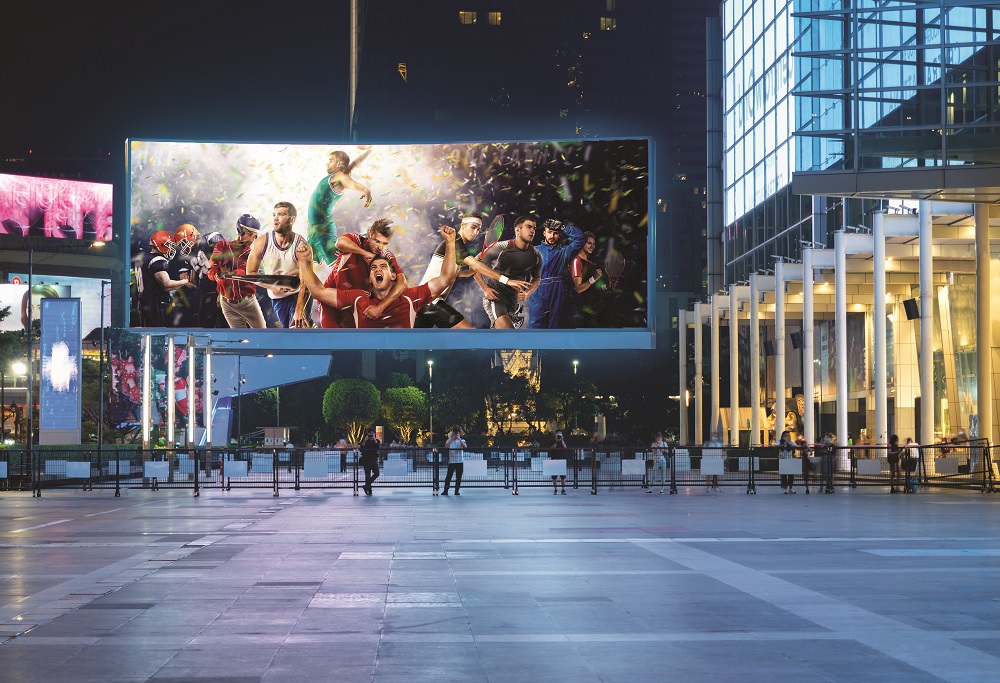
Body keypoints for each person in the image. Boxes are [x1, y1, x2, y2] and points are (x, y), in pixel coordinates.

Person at [300, 225, 460, 328]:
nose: (377, 269)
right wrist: (303, 261)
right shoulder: (359, 299)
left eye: (383, 266)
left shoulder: (409, 298)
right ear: (369, 278)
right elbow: (318, 291)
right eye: (373, 267)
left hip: (400, 360)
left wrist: (451, 243)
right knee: (335, 345)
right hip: (337, 303)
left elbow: (446, 278)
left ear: (392, 275)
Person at [415, 212, 530, 328]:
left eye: (478, 229)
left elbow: (454, 273)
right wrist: (507, 281)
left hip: (422, 301)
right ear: (463, 225)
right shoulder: (454, 241)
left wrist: (470, 274)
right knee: (470, 333)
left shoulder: (457, 245)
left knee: (416, 343)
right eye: (473, 227)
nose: (475, 232)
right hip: (430, 300)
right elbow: (474, 265)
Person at [320, 218, 407, 328]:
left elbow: (402, 283)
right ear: (369, 233)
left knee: (355, 342)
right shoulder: (356, 239)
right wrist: (364, 253)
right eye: (377, 241)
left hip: (355, 303)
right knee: (329, 340)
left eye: (384, 244)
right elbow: (339, 243)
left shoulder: (386, 256)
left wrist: (381, 307)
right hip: (332, 296)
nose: (379, 247)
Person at [246, 201, 310, 328]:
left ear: (292, 220)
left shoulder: (301, 245)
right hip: (277, 298)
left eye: (281, 214)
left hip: (298, 294)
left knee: (298, 329)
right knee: (289, 331)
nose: (275, 218)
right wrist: (273, 287)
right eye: (274, 214)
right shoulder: (261, 243)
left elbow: (306, 281)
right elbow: (251, 273)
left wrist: (299, 309)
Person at [307, 147, 373, 265]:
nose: (327, 163)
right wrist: (369, 150)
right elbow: (354, 164)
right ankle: (359, 243)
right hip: (313, 230)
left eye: (330, 160)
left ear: (339, 163)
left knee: (340, 266)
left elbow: (351, 183)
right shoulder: (337, 175)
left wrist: (364, 189)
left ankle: (363, 241)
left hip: (323, 229)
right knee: (311, 264)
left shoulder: (339, 176)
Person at [476, 215, 542, 329]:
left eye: (534, 228)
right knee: (509, 334)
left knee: (500, 339)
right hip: (496, 298)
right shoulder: (501, 248)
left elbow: (536, 279)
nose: (532, 231)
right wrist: (485, 289)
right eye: (529, 227)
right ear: (518, 230)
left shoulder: (536, 256)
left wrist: (527, 293)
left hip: (513, 303)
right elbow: (474, 267)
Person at [207, 213, 267, 329]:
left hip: (248, 303)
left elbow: (244, 271)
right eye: (249, 234)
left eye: (254, 236)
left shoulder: (251, 253)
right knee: (240, 339)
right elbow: (214, 260)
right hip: (227, 303)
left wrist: (228, 274)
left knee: (262, 334)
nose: (252, 239)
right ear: (240, 230)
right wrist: (214, 272)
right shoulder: (222, 245)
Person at [529, 218, 586, 328]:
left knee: (555, 327)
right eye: (549, 232)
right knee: (535, 327)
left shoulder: (564, 251)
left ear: (559, 235)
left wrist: (564, 227)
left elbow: (581, 238)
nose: (552, 236)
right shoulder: (533, 251)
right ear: (544, 233)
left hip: (558, 293)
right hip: (537, 292)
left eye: (556, 233)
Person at [136, 230, 196, 326]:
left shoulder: (144, 258)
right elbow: (166, 285)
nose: (171, 247)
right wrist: (185, 281)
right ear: (160, 244)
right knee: (155, 332)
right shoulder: (158, 260)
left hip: (142, 302)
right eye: (168, 244)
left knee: (145, 330)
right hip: (152, 302)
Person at [569, 231, 606, 327]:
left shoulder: (590, 262)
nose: (592, 246)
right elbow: (578, 288)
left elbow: (595, 284)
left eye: (593, 244)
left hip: (594, 308)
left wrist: (604, 286)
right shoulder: (576, 261)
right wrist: (594, 278)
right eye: (589, 243)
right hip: (583, 311)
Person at [442, 427, 467, 495]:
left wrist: (459, 439)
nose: (456, 434)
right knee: (449, 476)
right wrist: (452, 439)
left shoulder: (462, 440)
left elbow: (465, 446)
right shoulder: (449, 440)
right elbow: (446, 446)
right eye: (455, 432)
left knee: (458, 477)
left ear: (459, 433)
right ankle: (446, 490)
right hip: (452, 461)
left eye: (457, 432)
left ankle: (457, 490)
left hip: (460, 461)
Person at [360, 429, 381, 496]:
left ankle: (367, 485)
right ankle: (369, 490)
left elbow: (377, 446)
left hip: (374, 459)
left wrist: (374, 439)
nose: (371, 435)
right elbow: (361, 447)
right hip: (366, 459)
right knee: (367, 475)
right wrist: (365, 440)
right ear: (367, 434)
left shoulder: (376, 440)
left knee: (377, 473)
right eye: (370, 433)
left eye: (372, 433)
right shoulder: (365, 441)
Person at [550, 430, 570, 494]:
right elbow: (552, 448)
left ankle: (563, 489)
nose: (559, 436)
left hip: (562, 460)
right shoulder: (553, 441)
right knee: (554, 476)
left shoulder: (563, 441)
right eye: (557, 435)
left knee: (563, 476)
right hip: (554, 459)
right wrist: (556, 442)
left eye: (560, 435)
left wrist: (562, 440)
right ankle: (555, 489)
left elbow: (565, 448)